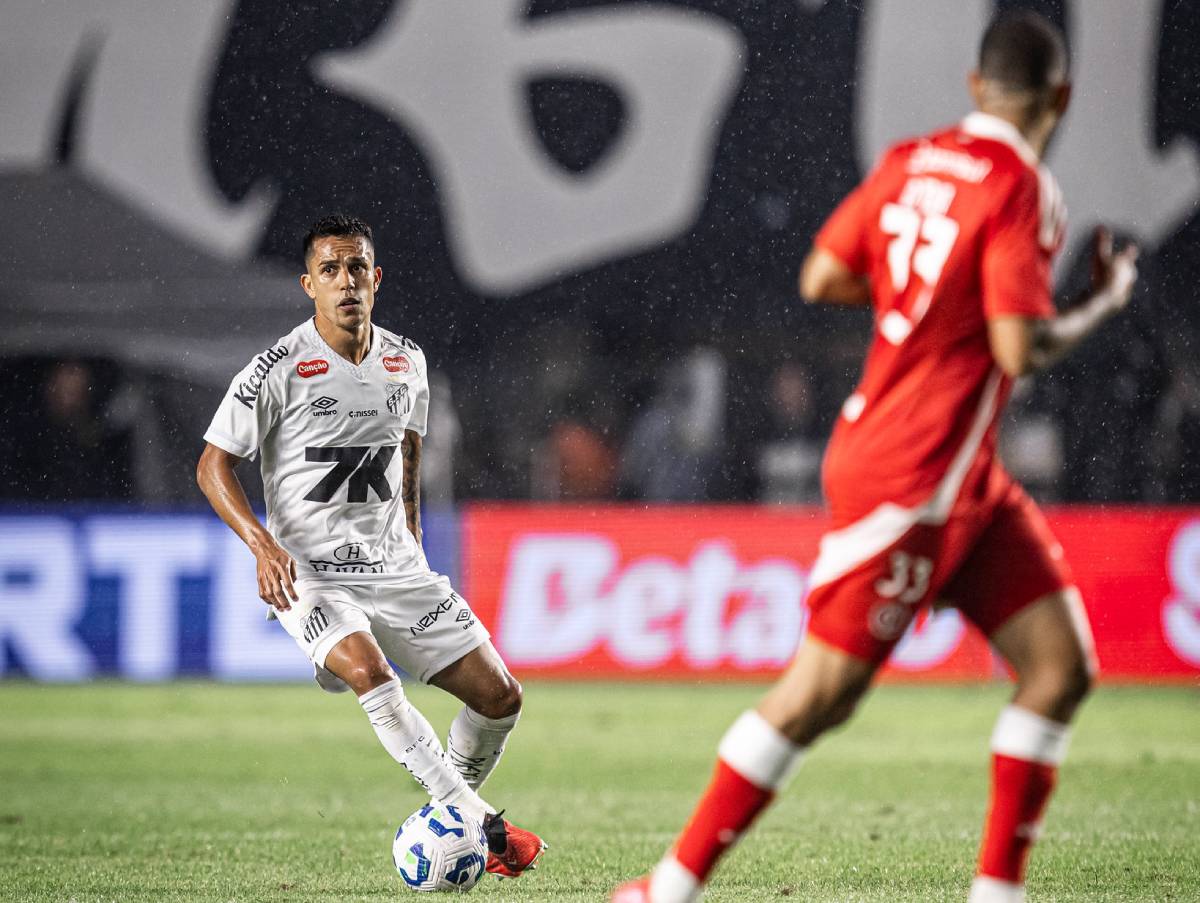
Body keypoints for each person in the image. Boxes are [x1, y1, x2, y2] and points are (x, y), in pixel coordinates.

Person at [613, 12, 1138, 903]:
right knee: (819, 694)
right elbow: (1019, 349)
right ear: (1064, 96)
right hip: (915, 472)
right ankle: (665, 889)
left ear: (976, 88)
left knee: (1059, 667)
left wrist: (917, 293)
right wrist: (1101, 304)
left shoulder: (910, 160)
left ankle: (997, 895)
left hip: (961, 475)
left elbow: (820, 276)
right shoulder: (1021, 187)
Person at [196, 214, 545, 879]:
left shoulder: (406, 360)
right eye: (330, 270)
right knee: (373, 673)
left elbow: (407, 450)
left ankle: (447, 814)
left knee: (501, 698)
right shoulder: (276, 368)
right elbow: (212, 465)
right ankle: (482, 824)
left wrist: (411, 529)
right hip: (309, 571)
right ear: (309, 285)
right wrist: (262, 545)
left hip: (395, 567)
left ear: (376, 278)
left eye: (357, 267)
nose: (346, 281)